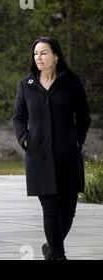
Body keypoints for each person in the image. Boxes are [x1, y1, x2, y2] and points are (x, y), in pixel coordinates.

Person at [13, 37, 91, 260]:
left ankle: (51, 248)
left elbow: (84, 116)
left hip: (67, 155)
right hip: (39, 157)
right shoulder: (26, 84)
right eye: (36, 53)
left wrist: (77, 139)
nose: (38, 57)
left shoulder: (71, 81)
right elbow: (18, 117)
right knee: (51, 208)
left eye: (43, 53)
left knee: (68, 210)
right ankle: (58, 255)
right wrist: (25, 138)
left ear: (56, 56)